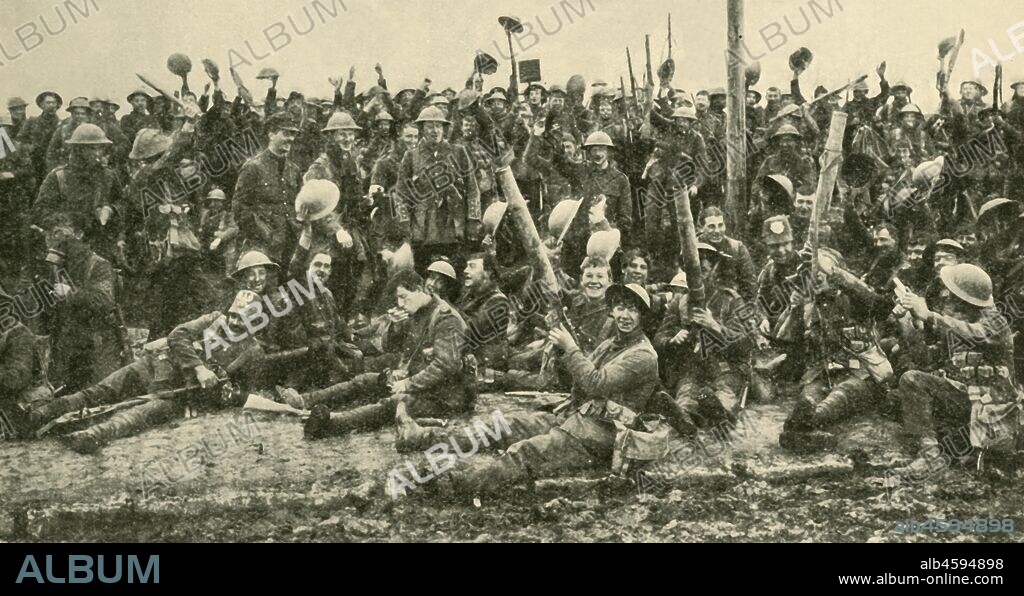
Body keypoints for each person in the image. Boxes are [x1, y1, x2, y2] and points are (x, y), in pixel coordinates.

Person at [434, 284, 664, 497]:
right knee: (504, 425)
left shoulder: (643, 356)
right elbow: (578, 379)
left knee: (526, 452)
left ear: (642, 316)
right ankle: (423, 438)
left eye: (633, 310)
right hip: (578, 420)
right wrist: (560, 352)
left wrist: (570, 347)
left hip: (600, 437)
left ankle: (456, 484)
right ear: (613, 310)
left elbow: (595, 382)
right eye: (620, 308)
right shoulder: (611, 344)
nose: (625, 315)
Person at [26, 290, 266, 453]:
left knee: (138, 415)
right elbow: (177, 335)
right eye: (233, 315)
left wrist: (218, 389)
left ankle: (91, 435)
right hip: (154, 366)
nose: (234, 322)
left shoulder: (252, 352)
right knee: (101, 390)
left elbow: (241, 392)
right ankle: (40, 414)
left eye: (242, 319)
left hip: (178, 393)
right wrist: (200, 367)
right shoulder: (214, 319)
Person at [301, 269, 475, 444]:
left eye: (403, 296)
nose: (400, 303)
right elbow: (392, 348)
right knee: (365, 380)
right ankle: (305, 400)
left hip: (447, 397)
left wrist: (408, 383)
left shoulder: (446, 318)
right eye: (398, 298)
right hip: (423, 385)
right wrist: (396, 328)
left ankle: (330, 425)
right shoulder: (417, 313)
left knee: (394, 403)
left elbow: (445, 365)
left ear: (419, 288)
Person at [895, 264, 1020, 477]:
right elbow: (926, 359)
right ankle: (930, 456)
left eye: (951, 295)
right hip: (968, 403)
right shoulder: (960, 323)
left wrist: (930, 316)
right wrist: (909, 321)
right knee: (912, 380)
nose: (946, 299)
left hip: (995, 410)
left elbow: (977, 334)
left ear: (965, 299)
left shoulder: (995, 322)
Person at [396, 106, 481, 269]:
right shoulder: (411, 156)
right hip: (423, 228)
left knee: (455, 270)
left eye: (438, 126)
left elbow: (472, 189)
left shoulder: (459, 152)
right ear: (422, 129)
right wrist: (405, 225)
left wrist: (473, 220)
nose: (434, 130)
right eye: (429, 126)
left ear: (444, 129)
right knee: (424, 270)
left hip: (454, 225)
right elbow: (400, 194)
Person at [33, 124, 125, 262]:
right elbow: (40, 212)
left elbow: (123, 203)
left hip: (102, 246)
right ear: (78, 150)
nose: (98, 153)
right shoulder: (58, 177)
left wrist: (110, 210)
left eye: (100, 148)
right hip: (68, 247)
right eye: (92, 148)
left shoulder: (108, 176)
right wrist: (68, 221)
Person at [232, 113, 302, 263]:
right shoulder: (253, 167)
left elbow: (298, 204)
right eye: (286, 133)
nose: (291, 138)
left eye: (293, 134)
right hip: (262, 245)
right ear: (271, 134)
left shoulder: (293, 170)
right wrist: (264, 234)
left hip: (290, 242)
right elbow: (240, 208)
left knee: (288, 285)